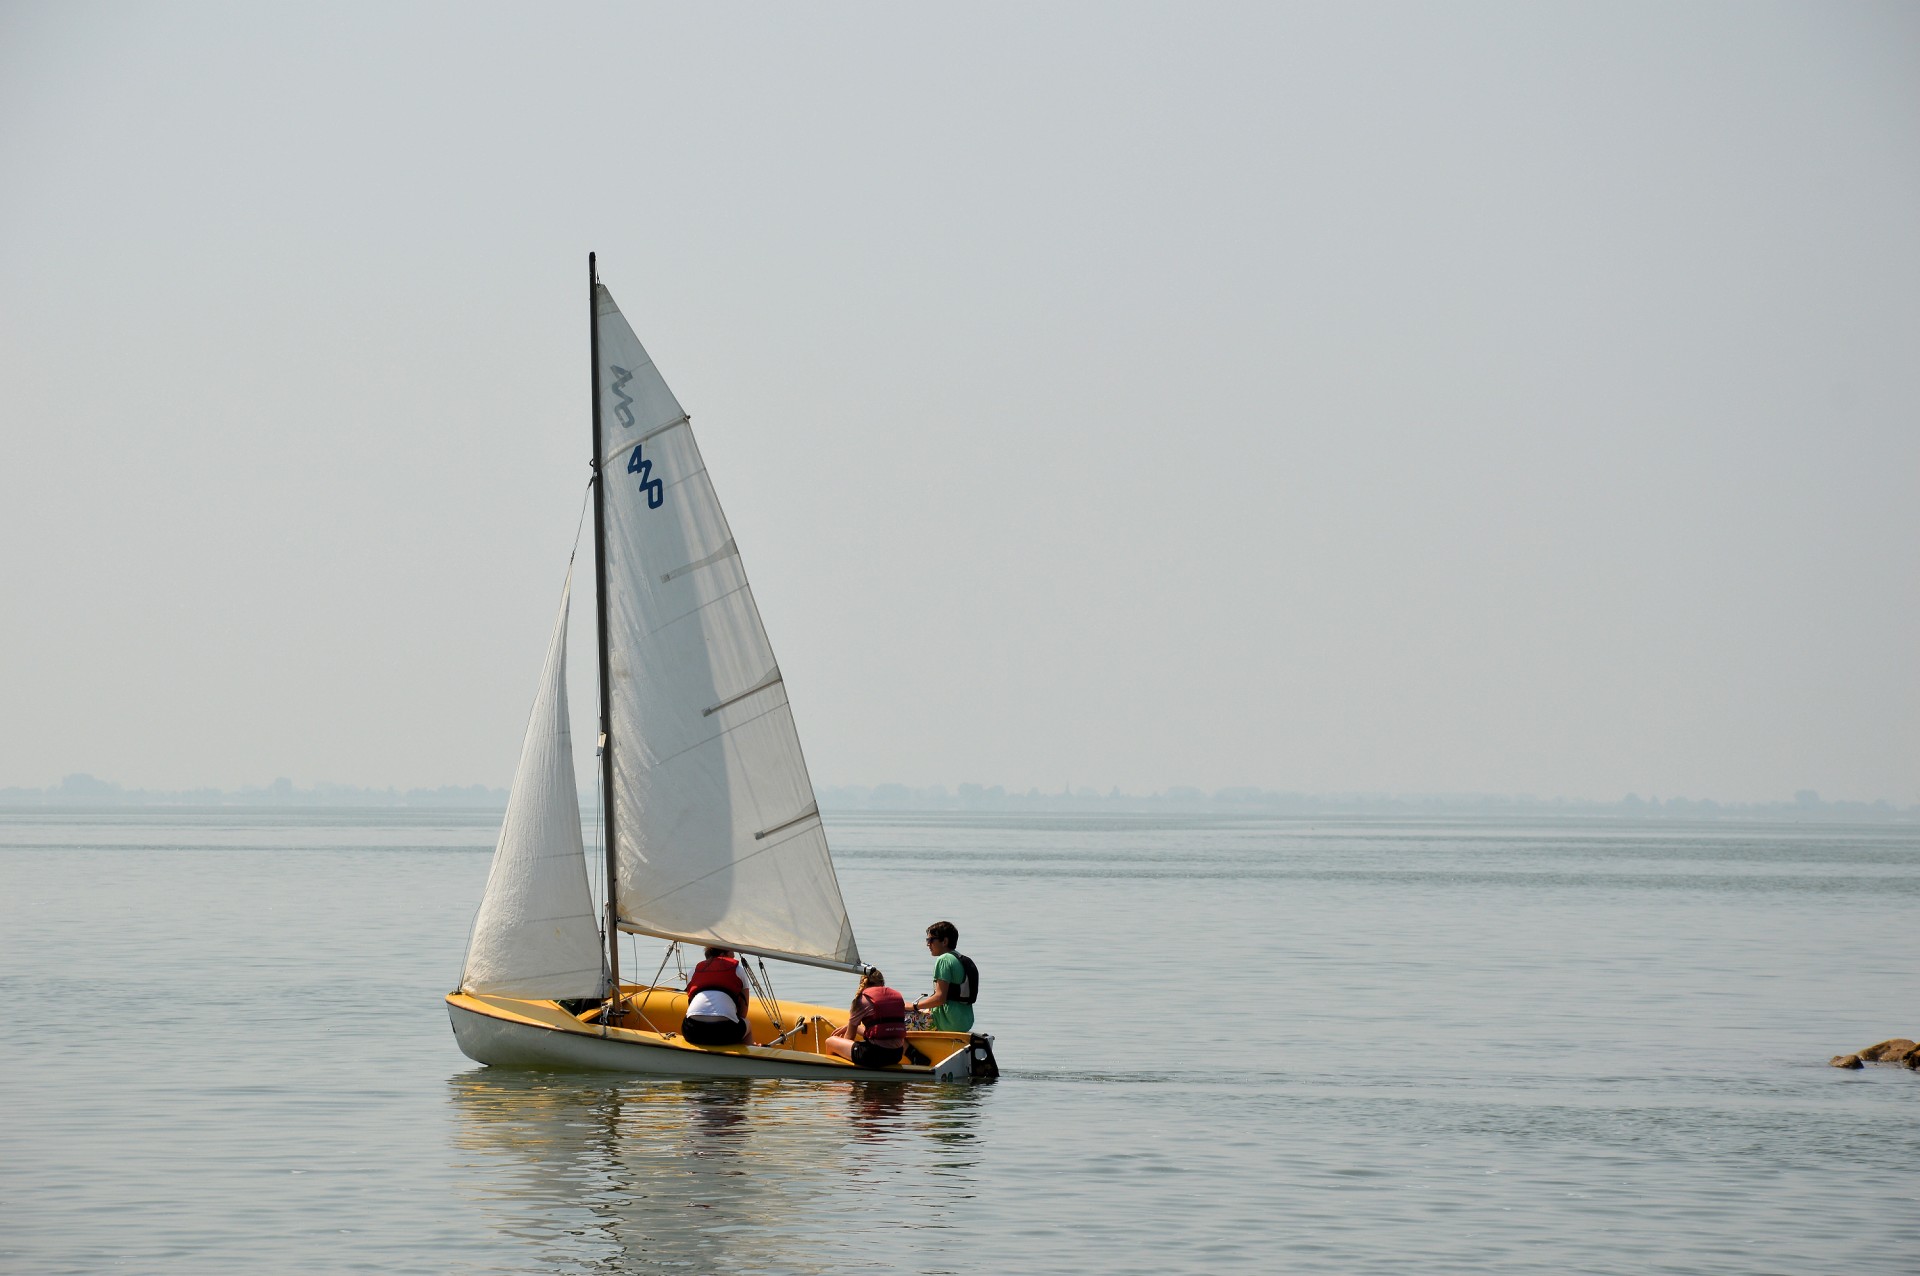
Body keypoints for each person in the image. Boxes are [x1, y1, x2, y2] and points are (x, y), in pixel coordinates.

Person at [824, 968, 908, 1069]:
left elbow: (849, 1037)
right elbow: (881, 1029)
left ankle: (835, 1073)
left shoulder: (861, 1000)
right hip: (896, 1055)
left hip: (872, 1057)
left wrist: (843, 1046)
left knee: (830, 1041)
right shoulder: (895, 997)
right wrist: (849, 1027)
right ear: (882, 983)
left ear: (862, 983)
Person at [910, 920, 976, 1034]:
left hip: (946, 1022)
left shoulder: (943, 959)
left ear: (944, 941)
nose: (927, 944)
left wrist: (914, 1006)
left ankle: (912, 1052)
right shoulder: (961, 959)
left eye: (931, 940)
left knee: (896, 1021)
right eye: (927, 940)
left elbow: (940, 998)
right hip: (964, 1022)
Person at [680, 946, 750, 1046]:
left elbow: (691, 1002)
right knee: (747, 1023)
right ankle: (748, 1053)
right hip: (724, 1032)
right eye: (732, 955)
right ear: (722, 955)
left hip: (691, 1030)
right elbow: (743, 1012)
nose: (734, 958)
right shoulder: (738, 970)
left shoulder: (693, 971)